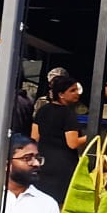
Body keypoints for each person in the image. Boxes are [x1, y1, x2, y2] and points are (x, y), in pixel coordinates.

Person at [31, 73, 84, 204]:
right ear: (61, 94)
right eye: (72, 90)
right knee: (59, 204)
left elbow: (34, 137)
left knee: (41, 201)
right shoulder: (68, 114)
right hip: (63, 165)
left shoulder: (42, 110)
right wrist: (92, 136)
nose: (77, 93)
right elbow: (72, 143)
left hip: (43, 162)